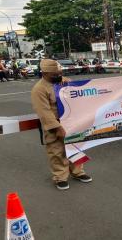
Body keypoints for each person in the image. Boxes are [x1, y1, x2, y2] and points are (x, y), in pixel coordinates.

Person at [31, 59, 92, 190]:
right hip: (55, 125)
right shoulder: (39, 89)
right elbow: (44, 111)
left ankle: (78, 172)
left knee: (76, 148)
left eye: (60, 73)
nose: (58, 76)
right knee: (57, 151)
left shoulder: (65, 81)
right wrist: (57, 128)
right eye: (55, 75)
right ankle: (60, 177)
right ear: (44, 73)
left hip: (72, 122)